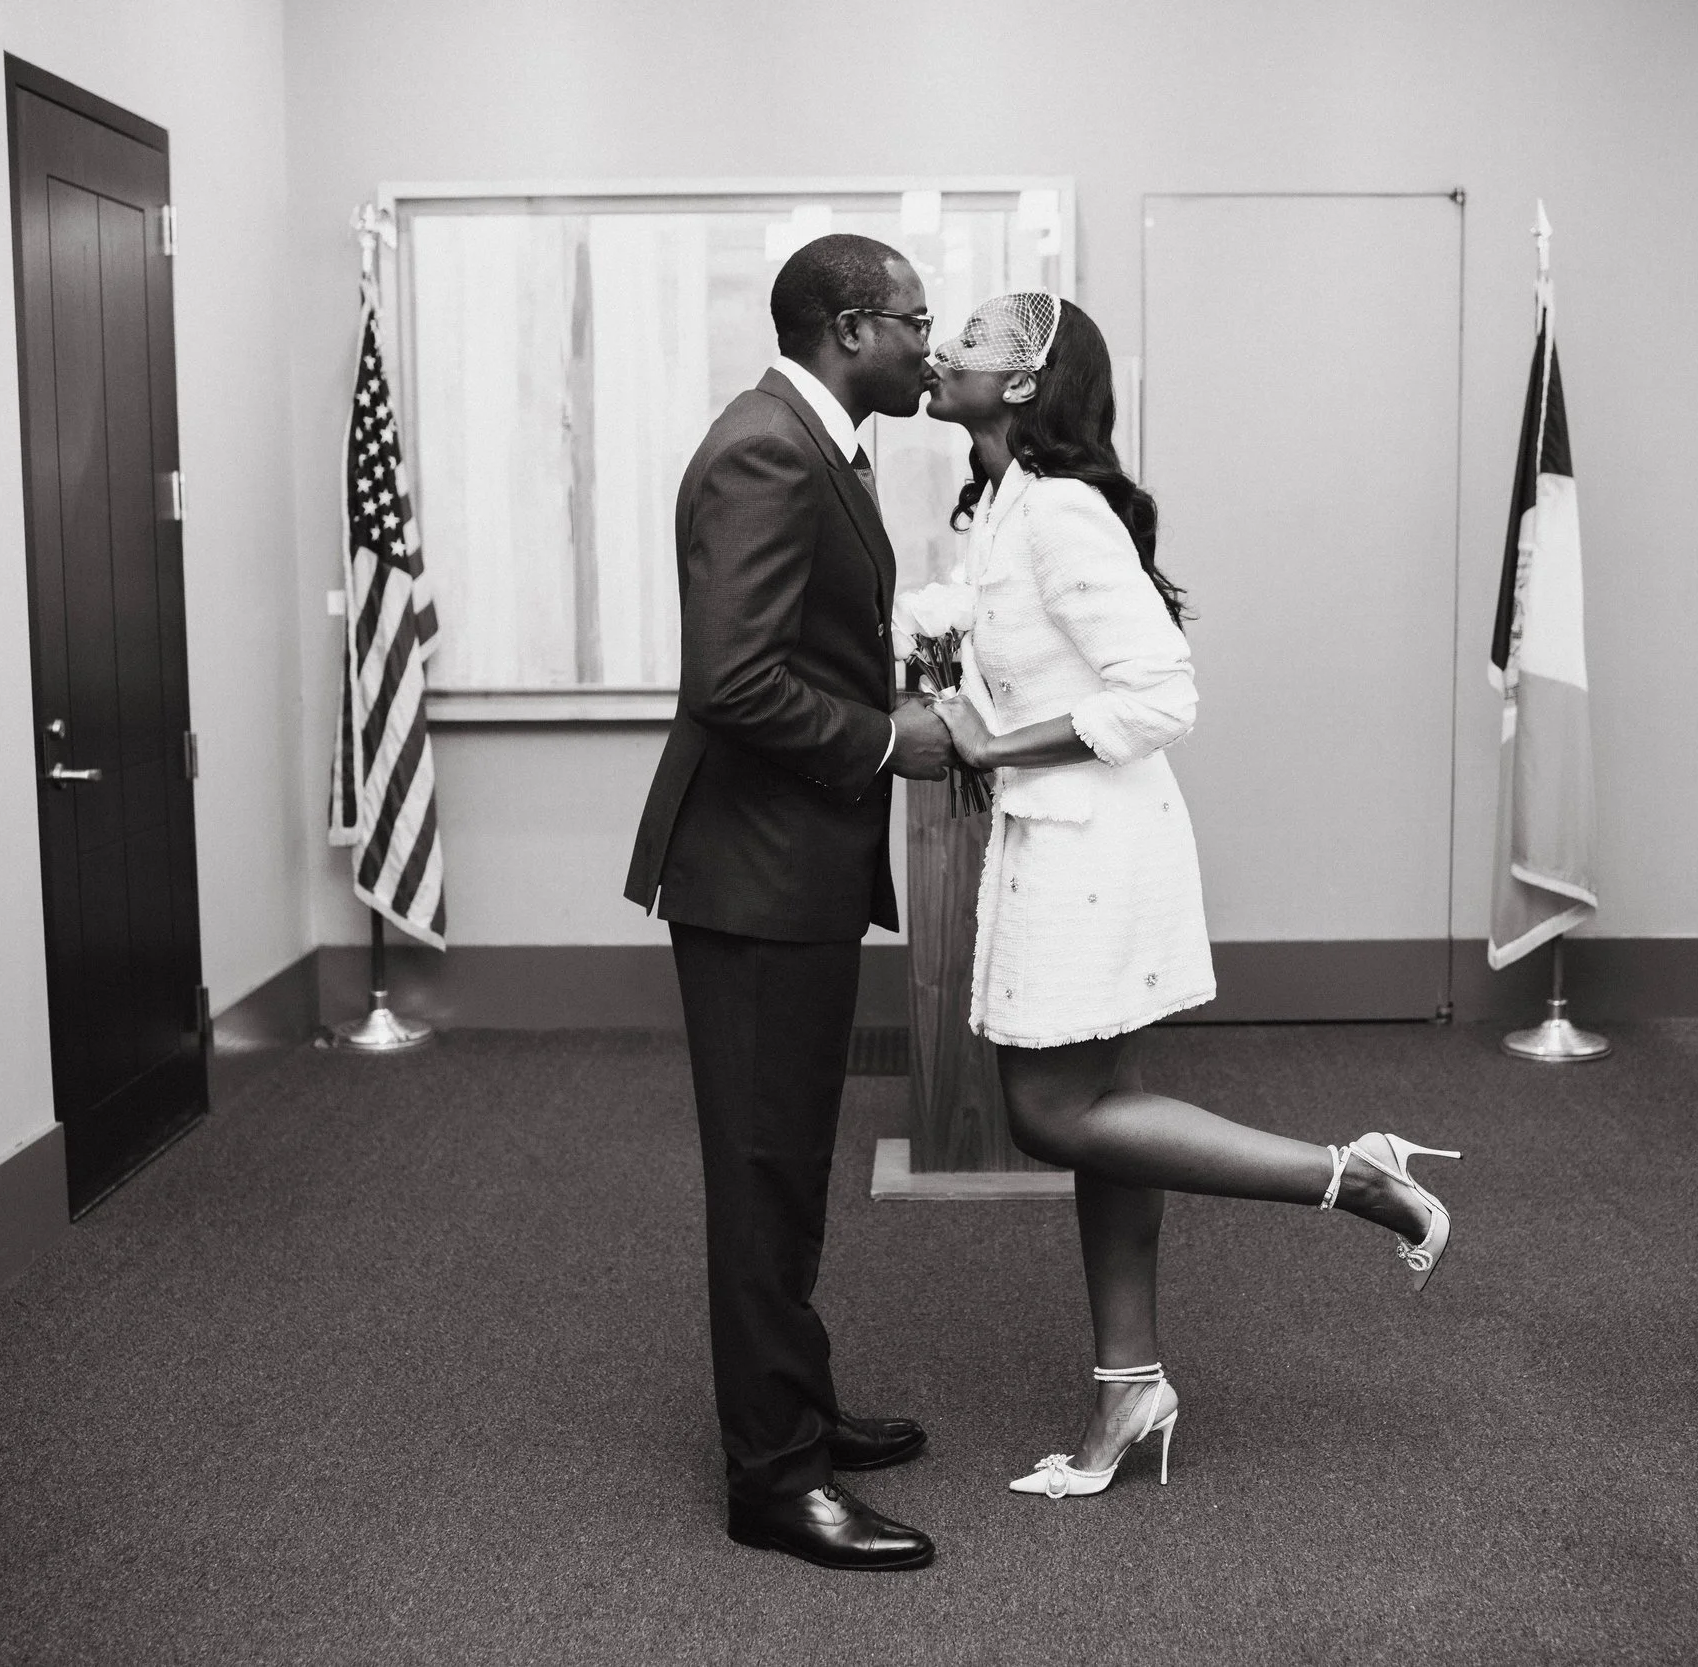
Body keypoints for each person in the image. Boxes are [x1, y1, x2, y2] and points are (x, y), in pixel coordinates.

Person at [923, 293, 1465, 1501]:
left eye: (970, 333)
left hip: (1091, 851)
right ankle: (1129, 1386)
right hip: (1063, 838)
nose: (941, 346)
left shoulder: (1060, 512)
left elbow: (1162, 694)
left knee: (1049, 1113)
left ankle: (1354, 1171)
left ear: (1024, 382)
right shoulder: (1005, 501)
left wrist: (986, 746)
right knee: (1098, 1109)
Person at [624, 234, 955, 1570]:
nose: (931, 348)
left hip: (793, 872)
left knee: (790, 1166)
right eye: (917, 323)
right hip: (756, 880)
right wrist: (890, 740)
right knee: (761, 1179)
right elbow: (735, 680)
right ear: (850, 324)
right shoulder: (767, 447)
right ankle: (773, 1477)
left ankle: (798, 1404)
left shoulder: (814, 440)